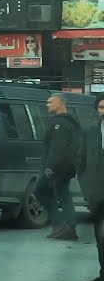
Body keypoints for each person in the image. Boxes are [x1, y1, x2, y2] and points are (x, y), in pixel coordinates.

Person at [38, 93, 82, 241]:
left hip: (58, 168)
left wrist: (50, 166)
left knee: (41, 191)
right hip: (66, 166)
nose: (47, 104)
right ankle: (67, 227)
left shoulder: (61, 123)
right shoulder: (70, 122)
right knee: (63, 195)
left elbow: (58, 147)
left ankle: (62, 225)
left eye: (50, 102)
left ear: (60, 103)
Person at [77, 94, 104, 281]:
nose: (103, 111)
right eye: (101, 107)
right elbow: (81, 160)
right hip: (98, 194)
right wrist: (86, 186)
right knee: (102, 239)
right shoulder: (91, 132)